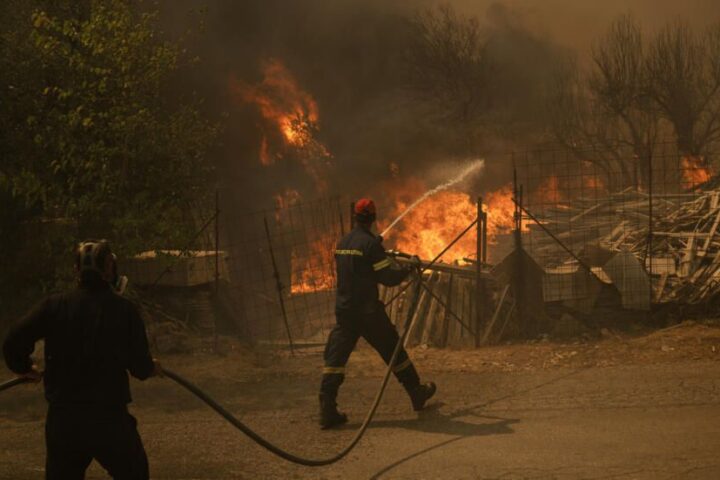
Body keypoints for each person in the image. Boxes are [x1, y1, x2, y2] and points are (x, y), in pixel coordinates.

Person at [2, 239, 162, 480]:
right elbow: (139, 366)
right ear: (109, 267)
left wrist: (24, 368)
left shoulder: (54, 306)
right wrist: (151, 368)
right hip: (109, 421)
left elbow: (13, 340)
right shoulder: (124, 310)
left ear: (77, 271)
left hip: (65, 422)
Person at [319, 198, 436, 429]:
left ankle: (327, 409)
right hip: (368, 313)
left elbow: (359, 265)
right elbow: (388, 278)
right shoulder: (370, 246)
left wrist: (376, 250)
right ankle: (416, 392)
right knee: (394, 351)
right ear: (373, 218)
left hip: (345, 312)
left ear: (355, 217)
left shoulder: (343, 242)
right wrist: (408, 268)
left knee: (335, 359)